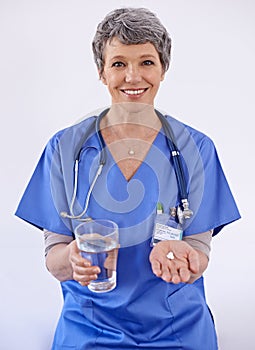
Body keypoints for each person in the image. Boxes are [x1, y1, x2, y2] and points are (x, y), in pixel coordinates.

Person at [15, 7, 240, 350]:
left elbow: (198, 251)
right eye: (119, 63)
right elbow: (55, 258)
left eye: (147, 62)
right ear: (102, 72)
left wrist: (187, 260)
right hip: (90, 324)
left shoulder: (197, 149)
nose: (133, 77)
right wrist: (72, 258)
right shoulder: (65, 149)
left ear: (163, 69)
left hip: (177, 324)